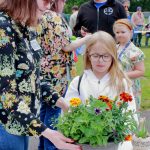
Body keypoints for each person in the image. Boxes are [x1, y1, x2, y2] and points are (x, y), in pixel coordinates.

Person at [0, 0, 82, 150]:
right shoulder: (3, 28)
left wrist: (62, 102)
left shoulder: (25, 27)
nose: (49, 5)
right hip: (5, 125)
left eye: (51, 1)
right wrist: (48, 133)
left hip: (21, 122)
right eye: (46, 0)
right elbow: (5, 96)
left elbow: (34, 76)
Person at [65, 31, 137, 150]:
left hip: (116, 144)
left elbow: (130, 113)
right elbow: (69, 116)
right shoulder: (77, 83)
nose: (100, 60)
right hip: (85, 143)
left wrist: (121, 135)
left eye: (106, 56)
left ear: (113, 56)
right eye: (96, 55)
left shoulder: (121, 83)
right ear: (88, 55)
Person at [36, 1, 92, 150]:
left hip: (43, 71)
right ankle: (50, 147)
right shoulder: (53, 17)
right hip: (55, 73)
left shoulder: (39, 15)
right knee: (54, 114)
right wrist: (88, 38)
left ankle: (43, 147)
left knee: (46, 111)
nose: (64, 3)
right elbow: (66, 47)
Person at [113, 19, 145, 110]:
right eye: (117, 32)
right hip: (115, 84)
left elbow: (140, 71)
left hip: (130, 86)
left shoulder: (136, 52)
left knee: (130, 112)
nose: (119, 34)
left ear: (131, 33)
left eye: (123, 32)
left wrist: (122, 75)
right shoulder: (114, 48)